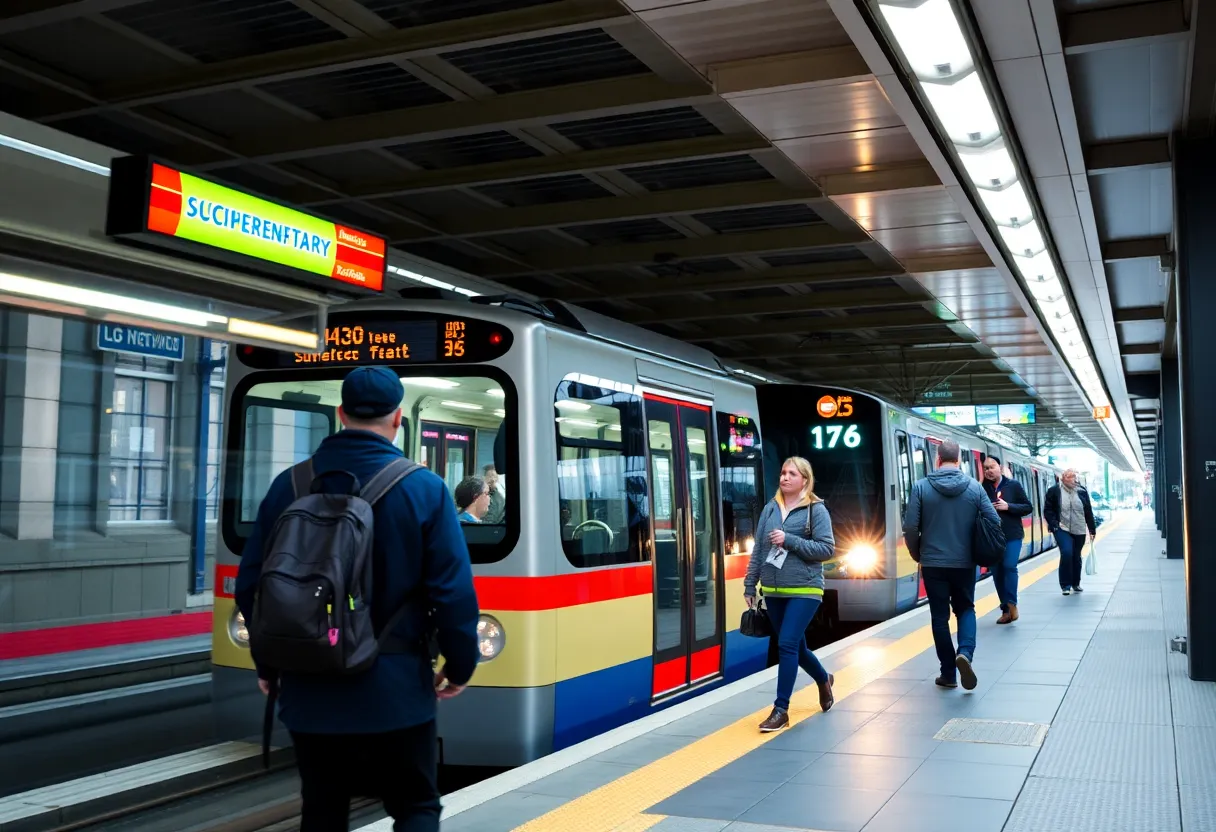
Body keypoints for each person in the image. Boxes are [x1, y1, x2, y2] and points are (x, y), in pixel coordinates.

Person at [235, 366, 480, 832]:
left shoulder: (288, 485)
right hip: (397, 689)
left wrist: (271, 666)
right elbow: (452, 593)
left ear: (340, 412)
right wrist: (460, 666)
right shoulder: (424, 488)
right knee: (415, 808)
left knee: (323, 810)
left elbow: (252, 586)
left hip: (310, 688)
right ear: (398, 419)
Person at [743, 456, 836, 732]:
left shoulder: (816, 510)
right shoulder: (770, 509)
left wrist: (790, 540)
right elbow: (759, 550)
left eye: (792, 474)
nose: (784, 478)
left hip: (805, 588)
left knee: (785, 644)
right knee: (797, 647)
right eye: (783, 472)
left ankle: (780, 709)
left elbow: (826, 549)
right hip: (773, 590)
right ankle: (823, 678)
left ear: (804, 480)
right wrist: (751, 585)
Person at [903, 440, 1001, 691]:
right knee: (966, 609)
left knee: (939, 617)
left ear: (938, 458)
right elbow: (993, 521)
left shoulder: (921, 487)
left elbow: (911, 527)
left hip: (933, 562)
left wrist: (918, 554)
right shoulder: (975, 488)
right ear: (958, 460)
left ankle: (948, 672)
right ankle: (965, 653)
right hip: (964, 561)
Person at [981, 456, 1032, 624]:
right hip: (992, 538)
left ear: (1000, 467)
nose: (989, 471)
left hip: (1012, 535)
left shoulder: (1013, 485)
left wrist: (1008, 506)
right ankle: (1005, 610)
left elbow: (1027, 507)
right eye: (986, 468)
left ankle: (1012, 604)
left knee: (1009, 566)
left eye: (992, 467)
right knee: (997, 573)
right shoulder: (981, 488)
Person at [1044, 469, 1096, 596]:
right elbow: (1048, 510)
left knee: (1076, 555)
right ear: (1063, 479)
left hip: (1079, 528)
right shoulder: (1054, 491)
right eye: (1071, 477)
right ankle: (1065, 585)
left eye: (1075, 477)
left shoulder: (1082, 491)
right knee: (1067, 552)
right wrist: (1054, 525)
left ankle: (1075, 583)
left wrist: (1092, 529)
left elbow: (1088, 511)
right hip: (1062, 528)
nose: (1075, 480)